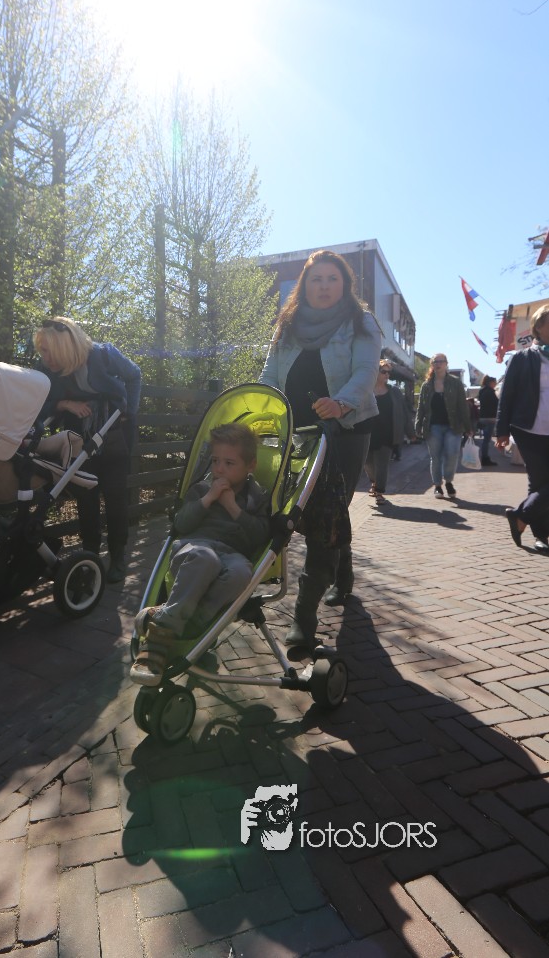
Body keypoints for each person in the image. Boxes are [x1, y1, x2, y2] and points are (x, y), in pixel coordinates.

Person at [259, 249, 381, 650]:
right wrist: (258, 408)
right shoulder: (287, 324)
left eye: (332, 279)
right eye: (316, 279)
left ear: (344, 284)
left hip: (346, 427)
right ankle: (343, 575)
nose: (324, 286)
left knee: (328, 511)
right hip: (298, 430)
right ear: (304, 285)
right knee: (320, 509)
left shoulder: (361, 322)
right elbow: (269, 374)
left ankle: (304, 615)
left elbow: (365, 371)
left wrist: (341, 402)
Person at [129, 423, 270, 686]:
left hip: (232, 554)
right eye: (215, 461)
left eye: (229, 463)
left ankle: (190, 625)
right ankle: (159, 637)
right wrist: (208, 500)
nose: (219, 469)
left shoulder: (257, 497)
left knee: (242, 572)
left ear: (250, 465)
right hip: (195, 548)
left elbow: (260, 536)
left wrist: (233, 508)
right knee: (206, 559)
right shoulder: (202, 488)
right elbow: (181, 524)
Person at [33, 317, 141, 583]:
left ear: (64, 347)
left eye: (48, 351)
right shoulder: (49, 370)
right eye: (42, 351)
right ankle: (90, 554)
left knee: (115, 496)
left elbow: (134, 375)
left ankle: (117, 555)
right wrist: (65, 404)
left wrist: (129, 411)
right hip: (78, 437)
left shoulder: (103, 355)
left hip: (113, 432)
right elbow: (41, 403)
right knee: (86, 496)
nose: (44, 358)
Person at [496, 304, 549, 552]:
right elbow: (507, 395)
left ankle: (520, 516)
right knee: (538, 482)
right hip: (529, 429)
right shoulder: (522, 358)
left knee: (541, 486)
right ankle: (541, 536)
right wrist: (502, 430)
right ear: (539, 326)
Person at [415, 354, 471, 498]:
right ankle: (437, 485)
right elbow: (421, 407)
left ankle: (449, 481)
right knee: (436, 457)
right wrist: (418, 425)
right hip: (433, 426)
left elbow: (462, 406)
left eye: (441, 361)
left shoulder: (455, 383)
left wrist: (468, 427)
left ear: (446, 364)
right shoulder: (427, 385)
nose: (438, 364)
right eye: (435, 362)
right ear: (432, 365)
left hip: (453, 426)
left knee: (452, 454)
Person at [365, 360, 409, 505]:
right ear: (375, 372)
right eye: (383, 372)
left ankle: (379, 492)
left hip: (387, 432)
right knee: (367, 462)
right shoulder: (366, 390)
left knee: (382, 463)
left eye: (388, 372)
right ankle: (374, 481)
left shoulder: (394, 391)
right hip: (367, 432)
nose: (387, 375)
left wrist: (410, 432)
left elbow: (403, 412)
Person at [477, 375, 499, 466]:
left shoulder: (482, 391)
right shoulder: (492, 392)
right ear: (491, 383)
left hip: (483, 417)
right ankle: (485, 458)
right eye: (495, 382)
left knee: (485, 439)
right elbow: (497, 404)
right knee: (487, 440)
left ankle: (484, 457)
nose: (496, 384)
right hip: (490, 417)